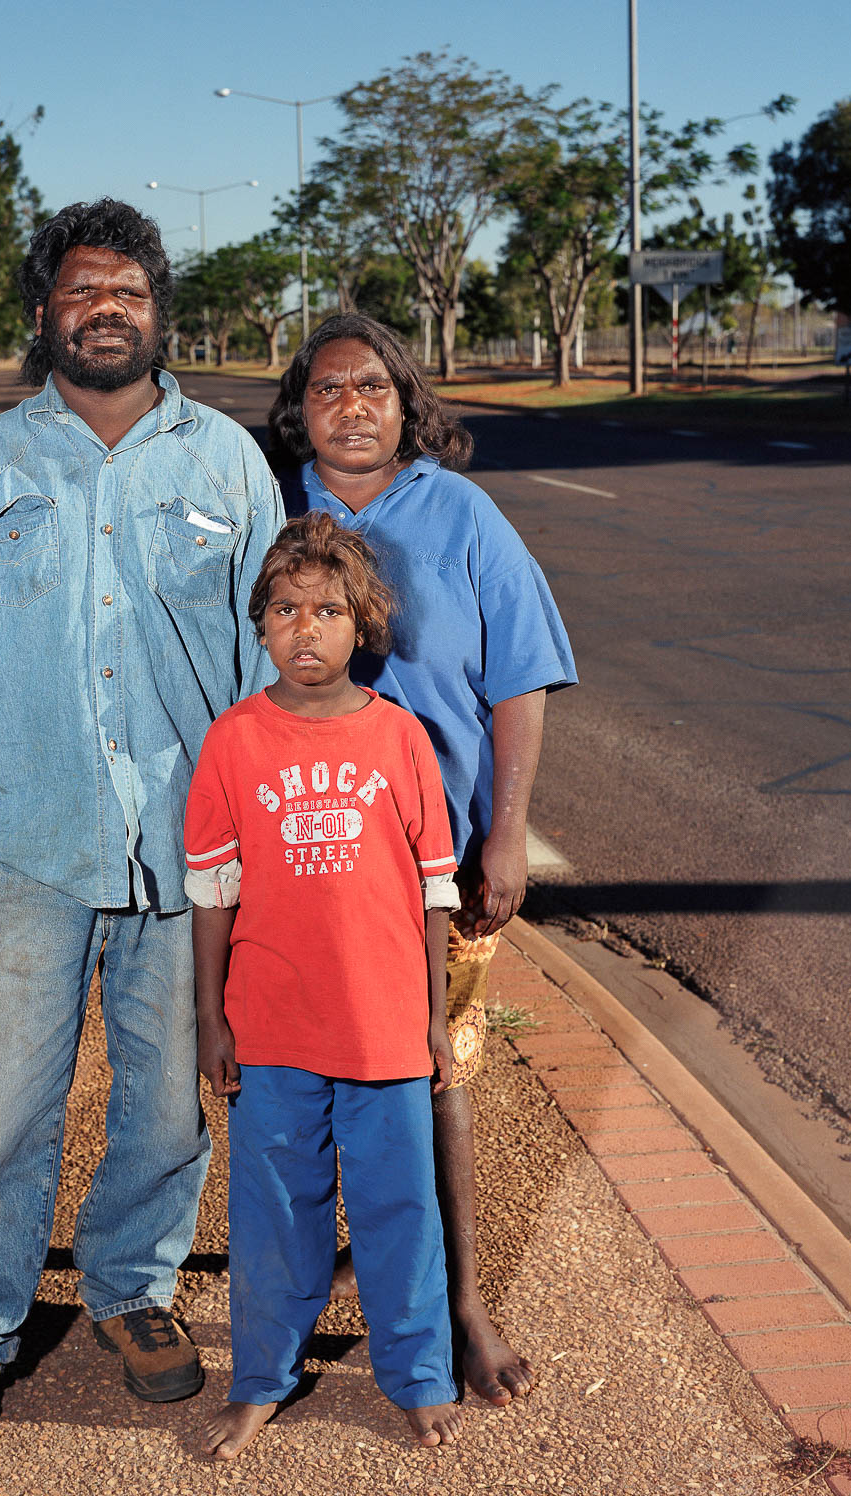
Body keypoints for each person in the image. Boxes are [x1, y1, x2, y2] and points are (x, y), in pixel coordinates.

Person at [0, 198, 283, 1471]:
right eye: (82, 290)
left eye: (127, 289)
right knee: (3, 1108)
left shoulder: (228, 466)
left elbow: (267, 668)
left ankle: (131, 1283)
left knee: (167, 1101)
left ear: (156, 311)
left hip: (193, 851)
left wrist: (267, 853)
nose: (106, 308)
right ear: (44, 313)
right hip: (28, 843)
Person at [269, 314, 577, 1408]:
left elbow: (520, 678)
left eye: (371, 388)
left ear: (407, 402)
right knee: (295, 1076)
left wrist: (504, 833)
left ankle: (459, 1303)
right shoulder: (269, 516)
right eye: (324, 390)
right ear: (296, 408)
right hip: (300, 856)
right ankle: (306, 1288)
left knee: (431, 1071)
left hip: (432, 863)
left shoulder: (461, 513)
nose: (349, 407)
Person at [186, 512, 466, 1461]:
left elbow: (434, 892)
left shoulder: (400, 741)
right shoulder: (232, 743)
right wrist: (209, 1020)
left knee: (400, 1208)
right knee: (271, 1212)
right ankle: (261, 1376)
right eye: (285, 610)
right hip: (270, 1028)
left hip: (385, 1025)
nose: (307, 629)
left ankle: (419, 1375)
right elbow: (212, 897)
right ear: (259, 625)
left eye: (329, 610)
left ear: (363, 624)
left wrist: (434, 1019)